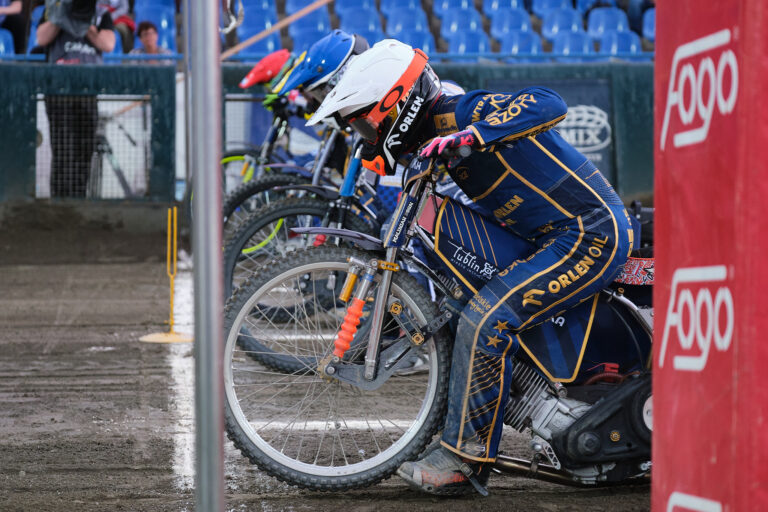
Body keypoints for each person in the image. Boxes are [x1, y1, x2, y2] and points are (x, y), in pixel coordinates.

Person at [308, 39, 634, 495]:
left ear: (394, 104)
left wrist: (472, 135)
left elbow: (549, 103)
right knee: (464, 301)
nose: (366, 135)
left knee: (486, 320)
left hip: (589, 234)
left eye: (366, 123)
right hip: (548, 238)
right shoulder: (429, 140)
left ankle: (465, 461)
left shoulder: (461, 113)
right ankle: (462, 427)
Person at [38, 0, 115, 198]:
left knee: (85, 147)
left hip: (88, 89)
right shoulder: (53, 10)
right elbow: (40, 38)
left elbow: (108, 44)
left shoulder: (100, 15)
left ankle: (79, 198)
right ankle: (60, 199)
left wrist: (84, 22)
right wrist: (61, 17)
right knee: (63, 148)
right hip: (58, 90)